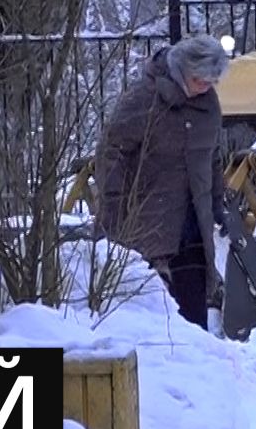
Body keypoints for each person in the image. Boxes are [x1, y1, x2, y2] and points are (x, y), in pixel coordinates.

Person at [96, 34, 230, 331]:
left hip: (194, 227)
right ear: (183, 71)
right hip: (151, 226)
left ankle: (199, 372)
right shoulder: (145, 99)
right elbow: (110, 152)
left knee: (194, 318)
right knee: (159, 320)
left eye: (212, 82)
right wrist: (113, 208)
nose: (206, 88)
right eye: (201, 80)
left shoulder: (208, 105)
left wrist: (218, 207)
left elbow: (213, 158)